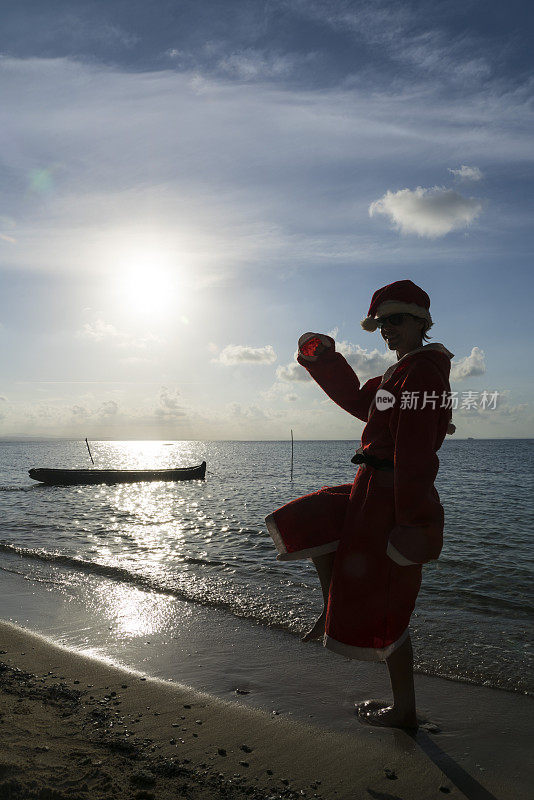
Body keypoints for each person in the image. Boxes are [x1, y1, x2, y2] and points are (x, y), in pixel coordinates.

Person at [265, 279, 455, 729]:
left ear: (421, 322)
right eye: (381, 322)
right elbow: (358, 401)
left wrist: (413, 522)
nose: (387, 329)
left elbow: (414, 455)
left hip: (392, 497)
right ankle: (332, 607)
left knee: (389, 602)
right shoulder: (401, 370)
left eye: (397, 320)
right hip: (370, 485)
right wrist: (323, 359)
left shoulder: (423, 372)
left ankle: (405, 710)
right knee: (310, 520)